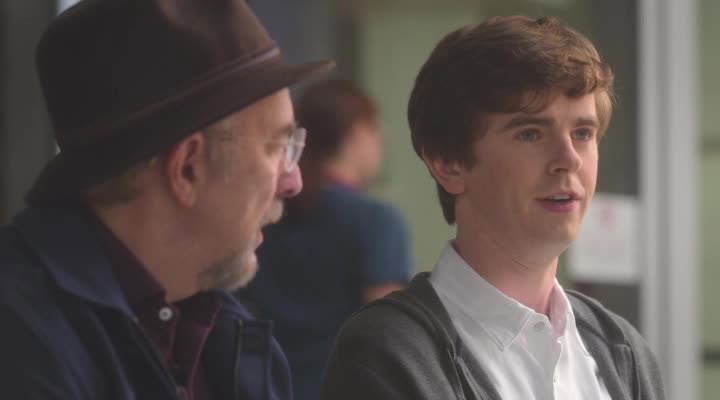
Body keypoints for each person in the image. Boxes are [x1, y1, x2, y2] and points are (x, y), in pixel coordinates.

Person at [0, 0, 332, 398]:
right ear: (188, 168)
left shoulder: (231, 337)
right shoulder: (22, 340)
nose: (293, 181)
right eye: (277, 148)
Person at [322, 16, 665, 400]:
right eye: (530, 134)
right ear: (448, 163)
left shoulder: (623, 352)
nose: (569, 159)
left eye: (583, 133)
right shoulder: (388, 353)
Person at [240, 79, 413, 400]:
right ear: (357, 132)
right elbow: (387, 338)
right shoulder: (376, 221)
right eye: (376, 131)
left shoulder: (268, 214)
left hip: (265, 387)